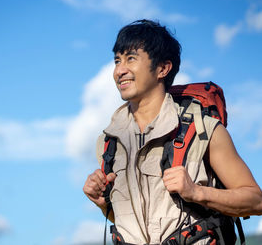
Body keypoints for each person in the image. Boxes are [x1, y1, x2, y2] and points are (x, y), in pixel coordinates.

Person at [83, 19, 262, 244]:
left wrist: (197, 192)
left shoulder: (204, 131)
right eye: (117, 60)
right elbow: (133, 222)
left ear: (162, 68)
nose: (120, 70)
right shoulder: (108, 143)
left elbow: (256, 200)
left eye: (131, 58)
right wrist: (102, 203)